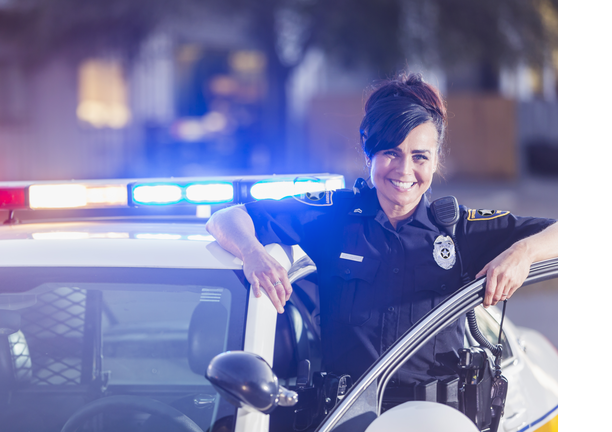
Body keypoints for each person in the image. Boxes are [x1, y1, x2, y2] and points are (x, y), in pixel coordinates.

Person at [205, 72, 558, 386]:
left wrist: (521, 252)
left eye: (420, 156)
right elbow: (226, 217)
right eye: (391, 152)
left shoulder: (459, 230)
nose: (405, 171)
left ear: (435, 160)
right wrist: (253, 253)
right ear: (367, 149)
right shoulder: (332, 217)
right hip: (349, 419)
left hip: (435, 422)